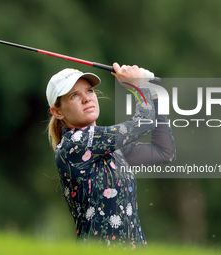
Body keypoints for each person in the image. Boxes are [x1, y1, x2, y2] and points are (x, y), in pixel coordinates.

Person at [46, 63, 176, 249]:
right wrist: (137, 86)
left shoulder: (109, 149)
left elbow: (164, 152)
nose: (86, 99)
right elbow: (144, 122)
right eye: (74, 95)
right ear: (57, 112)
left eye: (89, 91)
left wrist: (153, 96)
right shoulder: (75, 143)